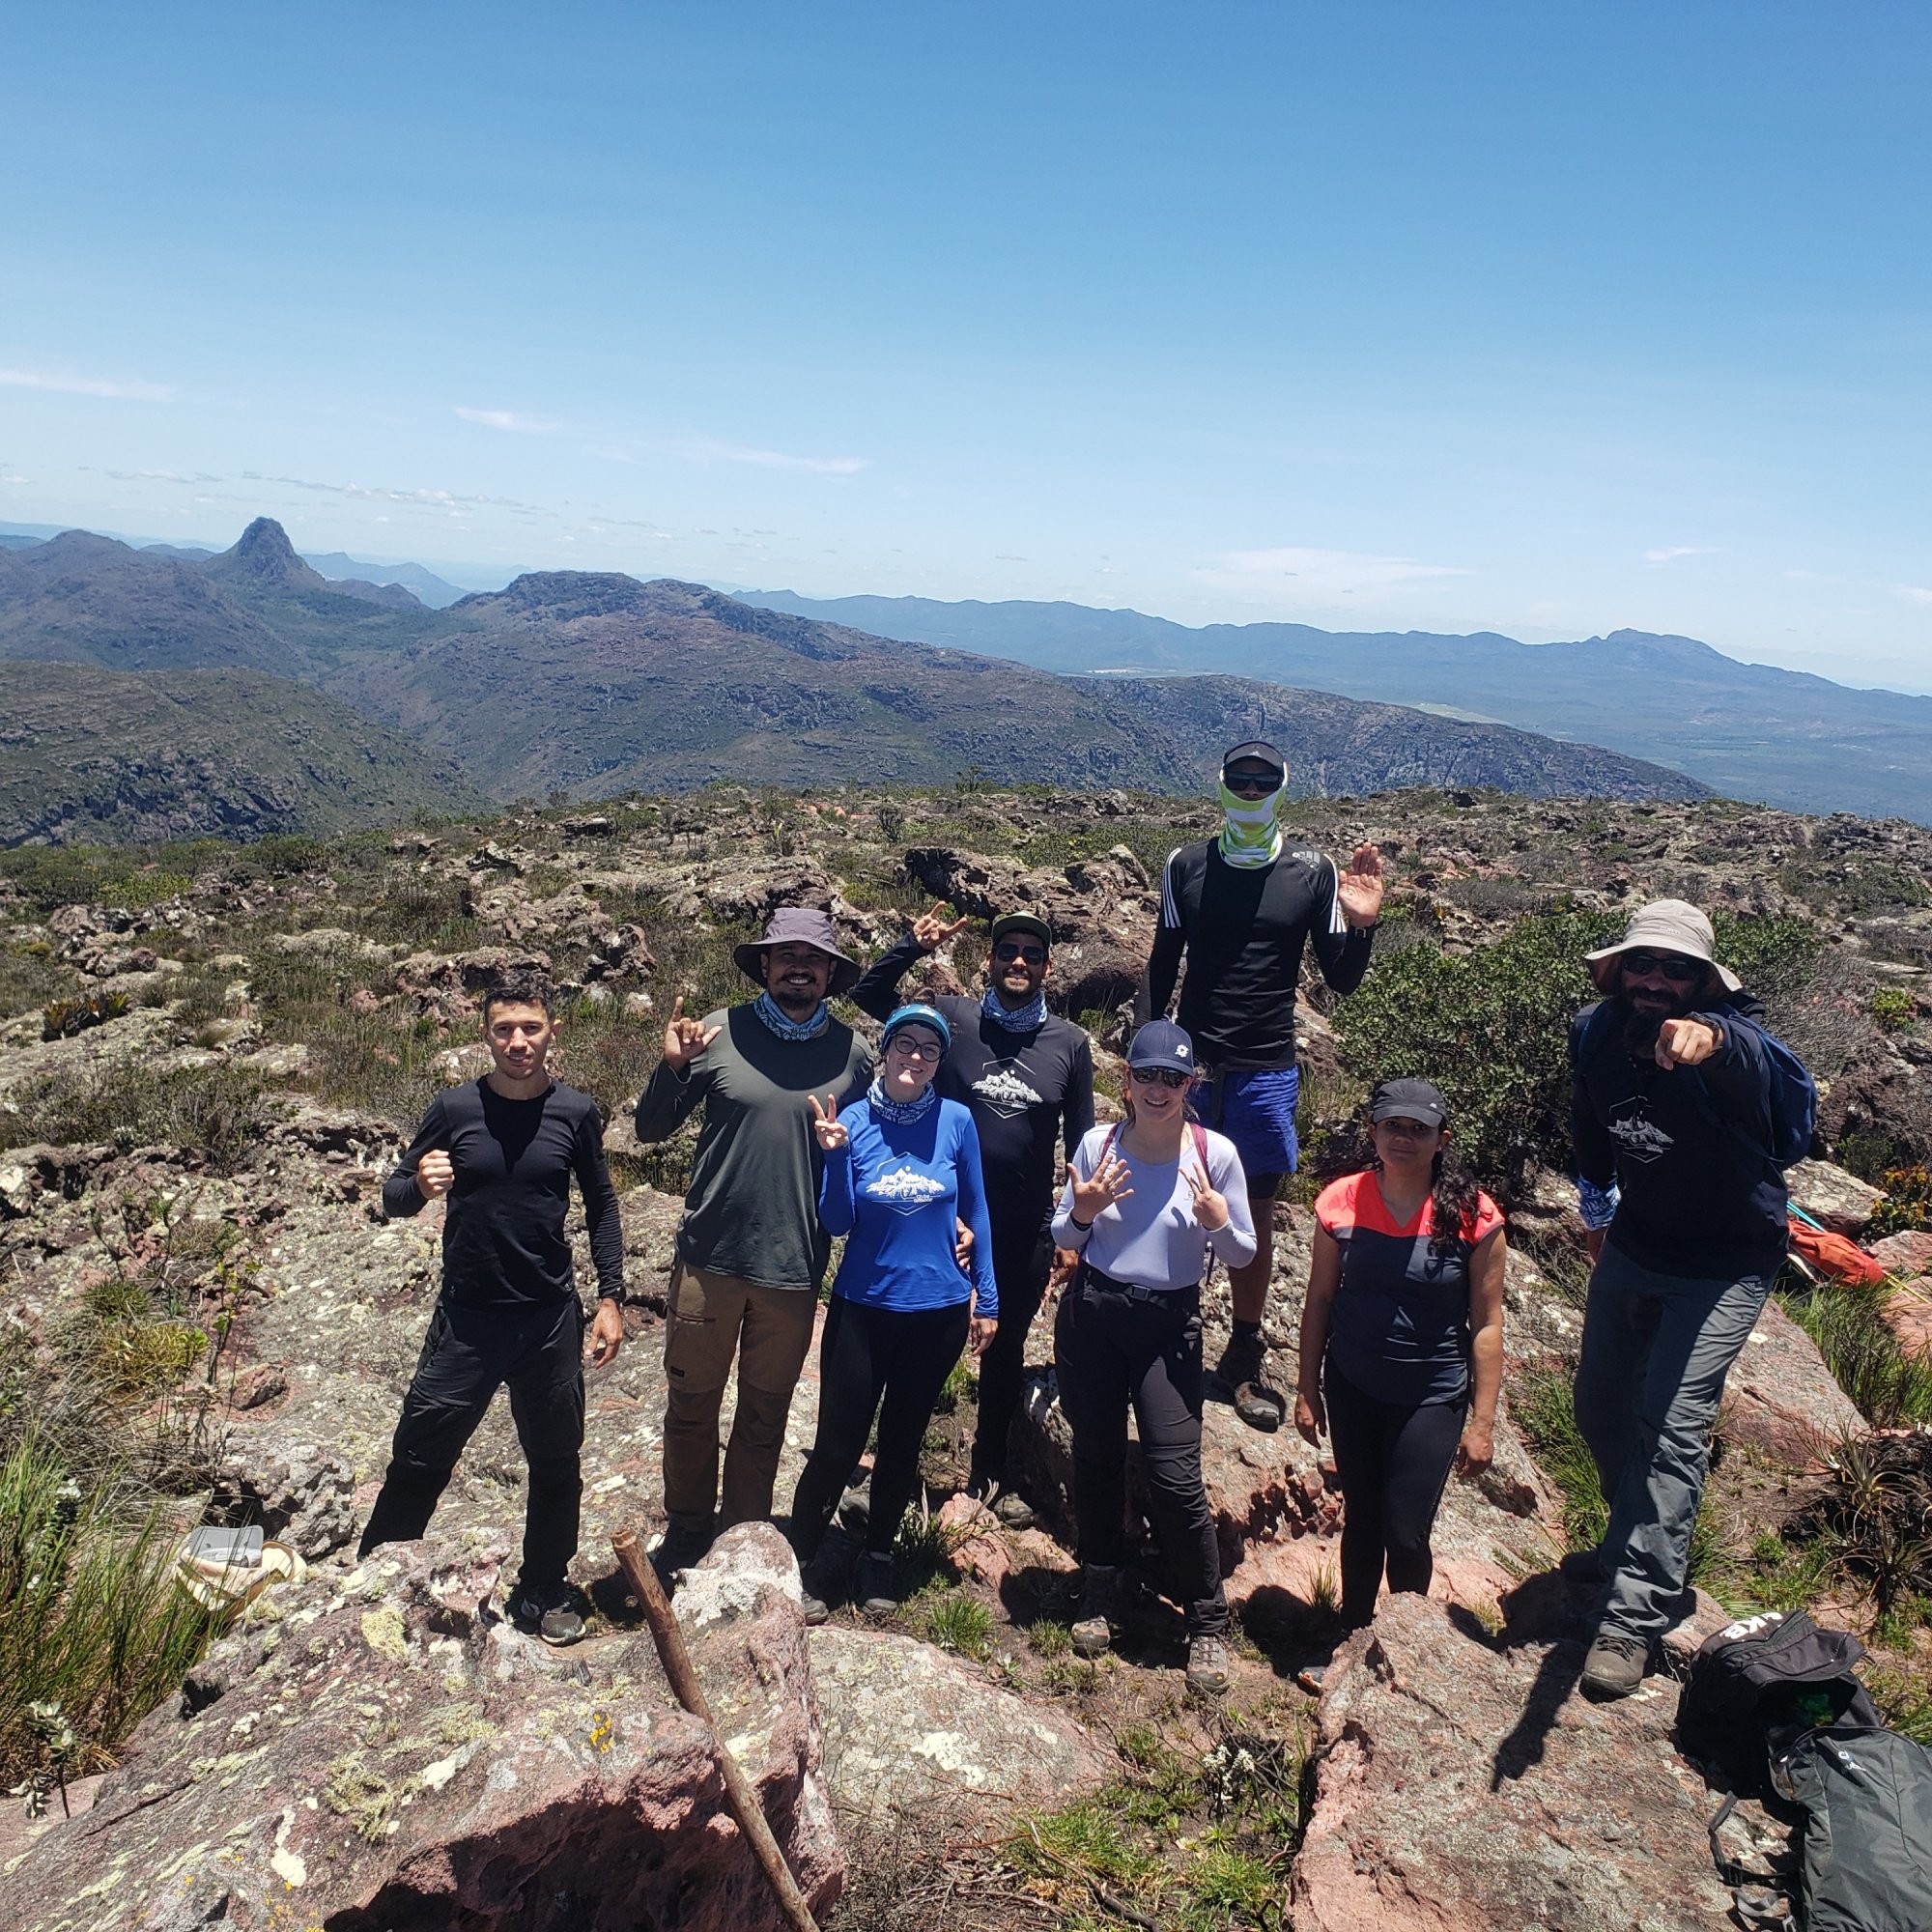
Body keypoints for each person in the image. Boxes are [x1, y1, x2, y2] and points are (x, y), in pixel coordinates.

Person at [1569, 899, 1813, 1699]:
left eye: (1677, 969)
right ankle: (1631, 1540)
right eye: (1642, 962)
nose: (1655, 980)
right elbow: (1590, 1125)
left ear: (1704, 983)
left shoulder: (1731, 1042)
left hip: (1727, 1261)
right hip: (1639, 1243)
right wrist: (1598, 1213)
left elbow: (1743, 1053)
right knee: (1600, 1405)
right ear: (1619, 969)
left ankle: (1634, 1613)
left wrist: (1707, 1041)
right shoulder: (1596, 1033)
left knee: (1671, 1424)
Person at [359, 966, 626, 1646]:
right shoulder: (455, 1110)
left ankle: (543, 1586)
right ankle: (376, 1578)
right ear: (485, 1034)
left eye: (530, 1028)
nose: (518, 1042)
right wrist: (420, 1185)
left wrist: (611, 1297)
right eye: (504, 1029)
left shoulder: (575, 1111)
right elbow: (393, 1197)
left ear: (552, 1031)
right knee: (420, 1455)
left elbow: (601, 1205)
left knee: (557, 1459)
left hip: (547, 1319)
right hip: (468, 1320)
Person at [1143, 740, 1384, 1432]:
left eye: (1264, 779)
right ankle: (1164, 1333)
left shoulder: (1313, 871)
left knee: (1250, 1210)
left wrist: (1363, 926)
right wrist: (1145, 1056)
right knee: (1169, 1197)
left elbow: (1340, 979)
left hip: (1266, 1070)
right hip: (1191, 1068)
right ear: (1223, 783)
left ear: (1282, 785)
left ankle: (1243, 1352)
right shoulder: (1186, 865)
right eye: (1241, 779)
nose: (1251, 789)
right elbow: (1161, 964)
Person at [635, 907, 872, 1577]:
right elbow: (650, 1129)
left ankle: (740, 1539)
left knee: (765, 1414)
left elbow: (872, 1148)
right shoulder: (718, 1033)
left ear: (829, 973)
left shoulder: (854, 1055)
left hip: (794, 1265)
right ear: (764, 965)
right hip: (709, 1260)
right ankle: (687, 1531)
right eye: (786, 955)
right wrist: (672, 1068)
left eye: (813, 958)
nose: (800, 967)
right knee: (691, 1407)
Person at [850, 904, 1095, 1526]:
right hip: (933, 1221)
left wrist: (1073, 1231)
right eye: (1007, 950)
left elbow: (1084, 1145)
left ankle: (989, 1474)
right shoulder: (954, 1019)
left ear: (1047, 968)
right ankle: (887, 1472)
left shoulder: (1069, 1044)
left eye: (1032, 954)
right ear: (989, 959)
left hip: (1021, 1230)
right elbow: (869, 996)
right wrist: (911, 945)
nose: (1019, 961)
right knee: (911, 1347)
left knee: (1004, 1351)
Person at [1052, 1020, 1257, 1696]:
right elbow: (1064, 1232)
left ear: (1190, 1085)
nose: (1159, 1089)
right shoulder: (1097, 1143)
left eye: (1173, 1078)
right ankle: (1101, 1584)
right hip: (1095, 1314)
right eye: (1147, 1075)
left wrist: (1217, 1221)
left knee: (1174, 1473)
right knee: (1097, 1455)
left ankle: (1207, 1620)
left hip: (1169, 1325)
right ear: (1127, 1081)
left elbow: (1243, 1255)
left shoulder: (1215, 1155)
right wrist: (1084, 1212)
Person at [788, 1004, 999, 1617]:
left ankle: (877, 1554)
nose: (916, 1057)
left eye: (930, 1049)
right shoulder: (850, 1120)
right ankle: (799, 1557)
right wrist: (834, 1156)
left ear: (939, 1062)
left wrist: (987, 1297)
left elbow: (978, 1211)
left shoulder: (957, 1120)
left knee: (903, 1440)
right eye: (905, 1043)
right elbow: (837, 1221)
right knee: (837, 1443)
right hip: (863, 1309)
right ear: (884, 1050)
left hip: (937, 1313)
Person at [1293, 1078, 1506, 1634]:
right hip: (1353, 1383)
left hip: (1431, 1394)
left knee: (1406, 1532)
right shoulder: (1340, 1201)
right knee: (1362, 1520)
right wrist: (1306, 1388)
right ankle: (1351, 1637)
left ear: (1442, 1139)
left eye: (1418, 1129)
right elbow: (1320, 1298)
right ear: (1373, 1132)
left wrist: (1482, 1422)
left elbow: (1487, 1324)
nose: (1404, 1138)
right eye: (1393, 1126)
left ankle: (1404, 1648)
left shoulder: (1475, 1217)